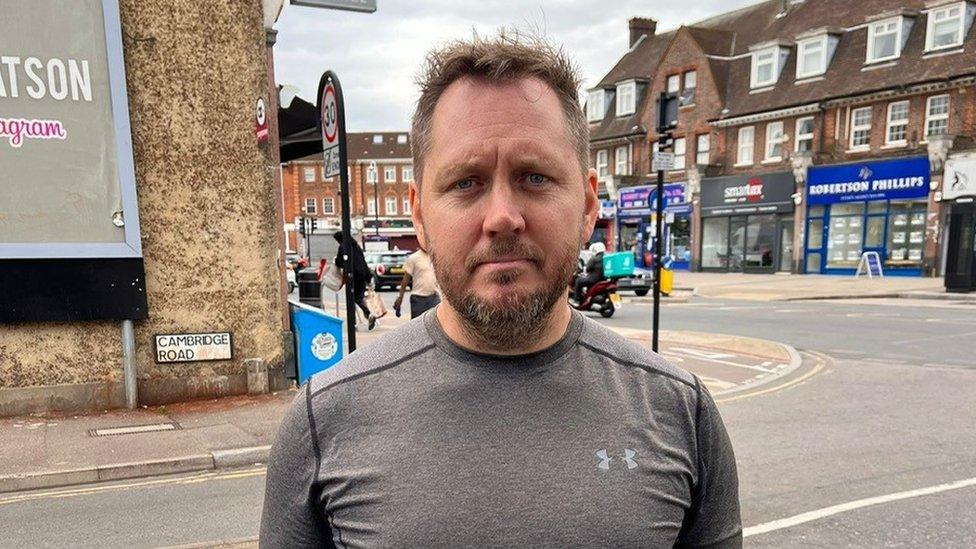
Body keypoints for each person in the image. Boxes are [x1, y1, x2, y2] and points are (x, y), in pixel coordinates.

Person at [261, 31, 741, 548]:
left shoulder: (679, 412)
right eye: (466, 182)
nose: (503, 217)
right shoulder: (324, 420)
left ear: (586, 204)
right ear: (420, 214)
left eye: (534, 177)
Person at [332, 231, 375, 331]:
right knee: (359, 296)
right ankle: (367, 315)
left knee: (353, 299)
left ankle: (362, 318)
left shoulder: (343, 247)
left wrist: (336, 261)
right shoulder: (357, 247)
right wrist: (368, 277)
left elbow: (340, 262)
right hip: (362, 275)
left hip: (353, 275)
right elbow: (363, 262)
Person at [393, 247, 441, 319]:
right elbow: (405, 280)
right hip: (418, 298)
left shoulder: (435, 257)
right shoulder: (413, 258)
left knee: (435, 324)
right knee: (418, 324)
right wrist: (400, 298)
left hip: (434, 296)